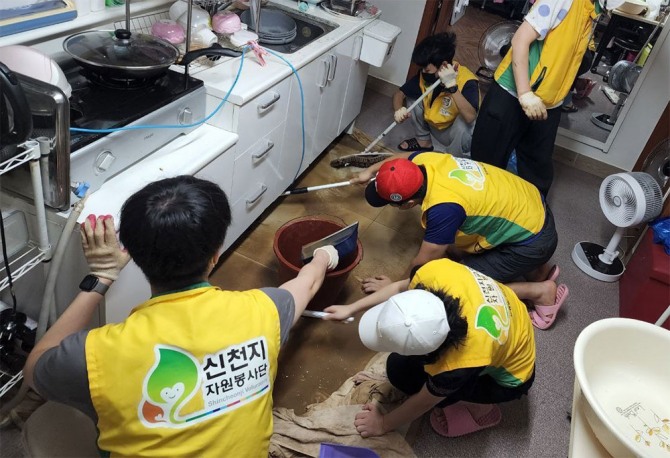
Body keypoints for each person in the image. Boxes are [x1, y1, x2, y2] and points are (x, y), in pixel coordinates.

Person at [23, 176, 341, 457]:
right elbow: (307, 281)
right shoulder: (266, 310)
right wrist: (325, 255)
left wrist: (103, 276)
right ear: (216, 254)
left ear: (134, 255)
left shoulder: (93, 356)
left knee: (52, 421)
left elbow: (34, 368)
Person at [325, 258, 538, 437]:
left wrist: (382, 424)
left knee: (408, 380)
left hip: (513, 378)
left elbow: (423, 402)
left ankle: (481, 409)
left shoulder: (458, 364)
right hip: (513, 323)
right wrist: (351, 308)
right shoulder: (435, 272)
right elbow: (401, 286)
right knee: (397, 368)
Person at [351, 154, 565, 325]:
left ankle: (540, 292)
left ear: (407, 204)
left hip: (534, 241)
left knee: (457, 285)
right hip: (532, 208)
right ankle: (537, 270)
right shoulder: (424, 161)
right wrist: (370, 172)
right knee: (453, 246)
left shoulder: (444, 209)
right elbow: (400, 157)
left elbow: (422, 264)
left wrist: (396, 286)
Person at [470, 0, 603, 195]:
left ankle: (526, 217)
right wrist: (525, 94)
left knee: (537, 172)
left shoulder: (595, 7)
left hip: (549, 101)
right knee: (486, 165)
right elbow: (520, 40)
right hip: (513, 93)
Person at [394, 32, 479, 157]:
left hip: (453, 133)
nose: (423, 72)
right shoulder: (426, 75)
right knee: (412, 98)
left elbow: (470, 117)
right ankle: (424, 142)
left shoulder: (467, 80)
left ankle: (452, 160)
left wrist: (452, 87)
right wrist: (398, 109)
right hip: (434, 124)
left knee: (464, 124)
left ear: (443, 65)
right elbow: (400, 94)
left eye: (427, 70)